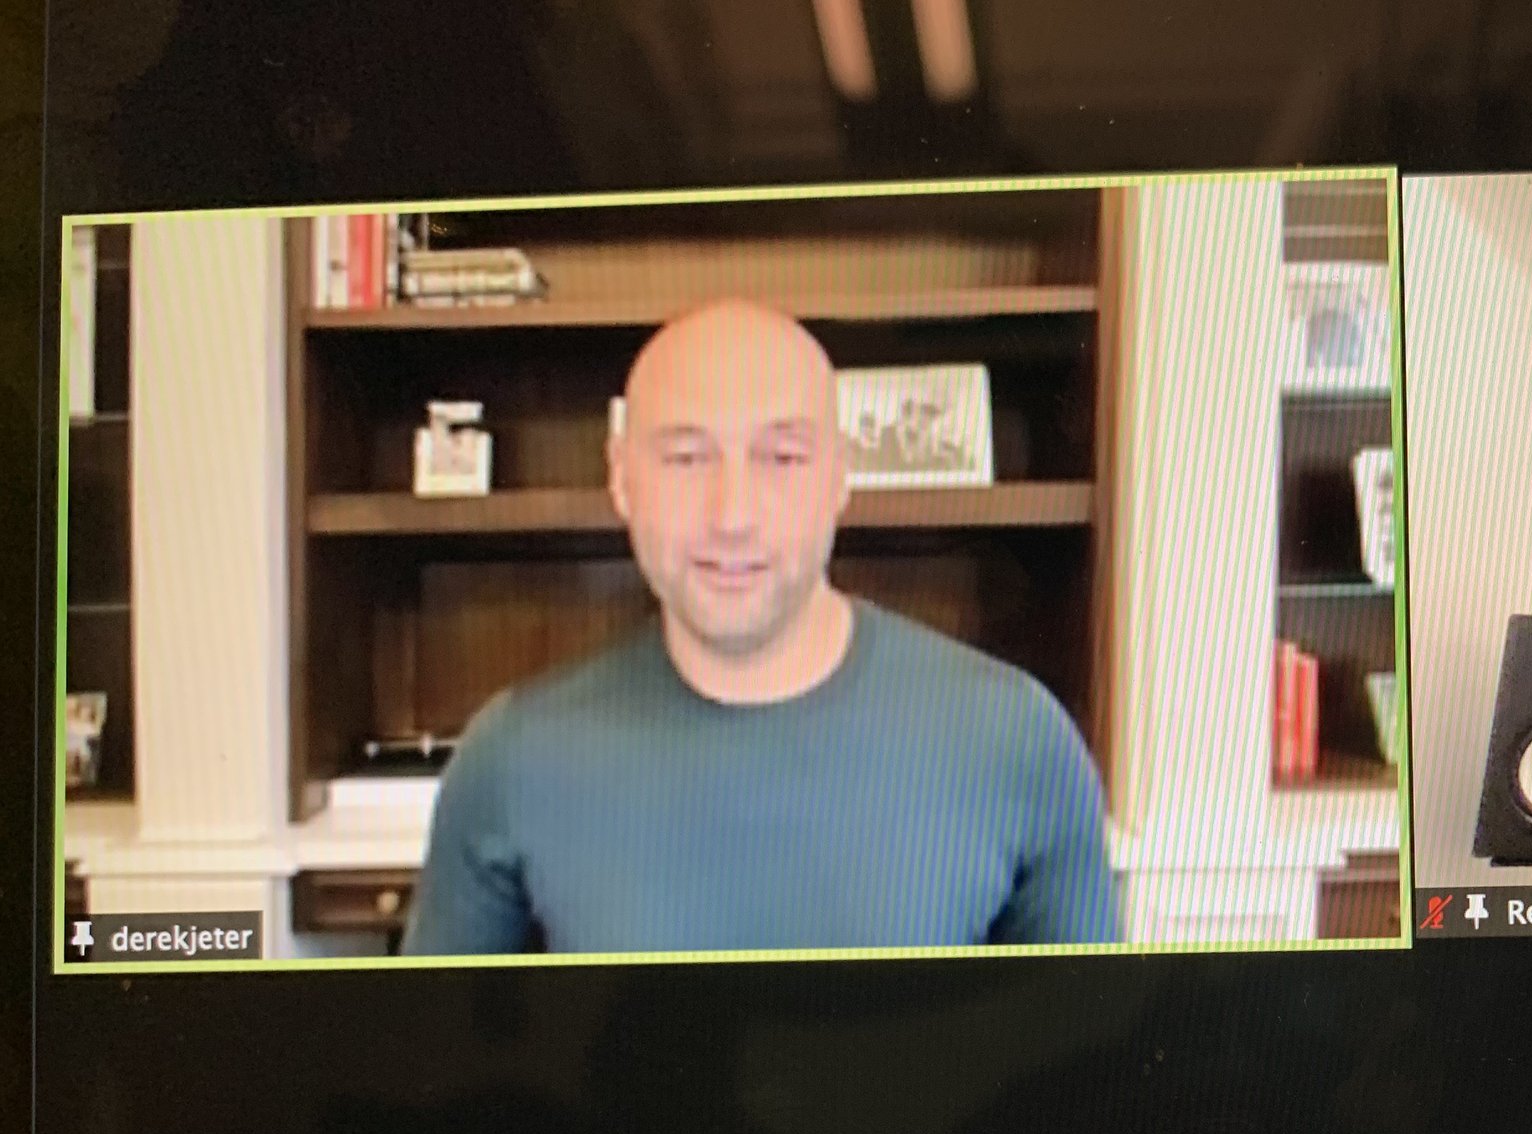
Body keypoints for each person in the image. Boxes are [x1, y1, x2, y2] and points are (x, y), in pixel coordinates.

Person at [405, 299, 1118, 955]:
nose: (732, 515)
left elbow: (1092, 1079)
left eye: (782, 457)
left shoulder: (1014, 737)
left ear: (840, 474)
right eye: (686, 457)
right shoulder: (511, 758)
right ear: (622, 479)